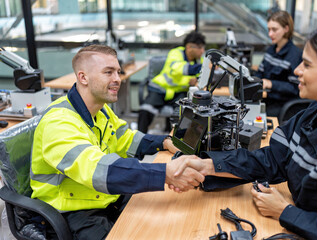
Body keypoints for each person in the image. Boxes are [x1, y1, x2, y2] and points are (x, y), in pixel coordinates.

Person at [174, 21, 317, 239]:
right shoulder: (311, 115)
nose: (297, 70)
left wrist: (285, 212)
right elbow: (271, 160)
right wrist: (207, 165)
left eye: (307, 65)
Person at [30, 45, 205, 240]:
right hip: (73, 210)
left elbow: (127, 140)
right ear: (83, 77)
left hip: (104, 196)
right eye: (108, 72)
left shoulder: (101, 110)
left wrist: (164, 141)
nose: (117, 79)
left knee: (165, 216)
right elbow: (98, 171)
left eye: (118, 72)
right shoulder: (59, 122)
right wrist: (165, 173)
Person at [138, 31, 205, 133]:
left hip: (178, 93)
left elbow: (200, 76)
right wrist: (191, 77)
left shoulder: (199, 60)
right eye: (200, 48)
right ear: (189, 47)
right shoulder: (175, 53)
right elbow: (176, 70)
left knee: (184, 114)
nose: (202, 51)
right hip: (160, 89)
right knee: (145, 110)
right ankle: (140, 140)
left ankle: (176, 140)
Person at [255, 10, 302, 117]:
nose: (270, 34)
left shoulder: (295, 55)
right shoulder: (271, 50)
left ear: (286, 29)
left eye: (274, 30)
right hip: (266, 100)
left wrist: (270, 83)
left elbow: (295, 88)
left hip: (281, 106)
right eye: (269, 30)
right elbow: (259, 74)